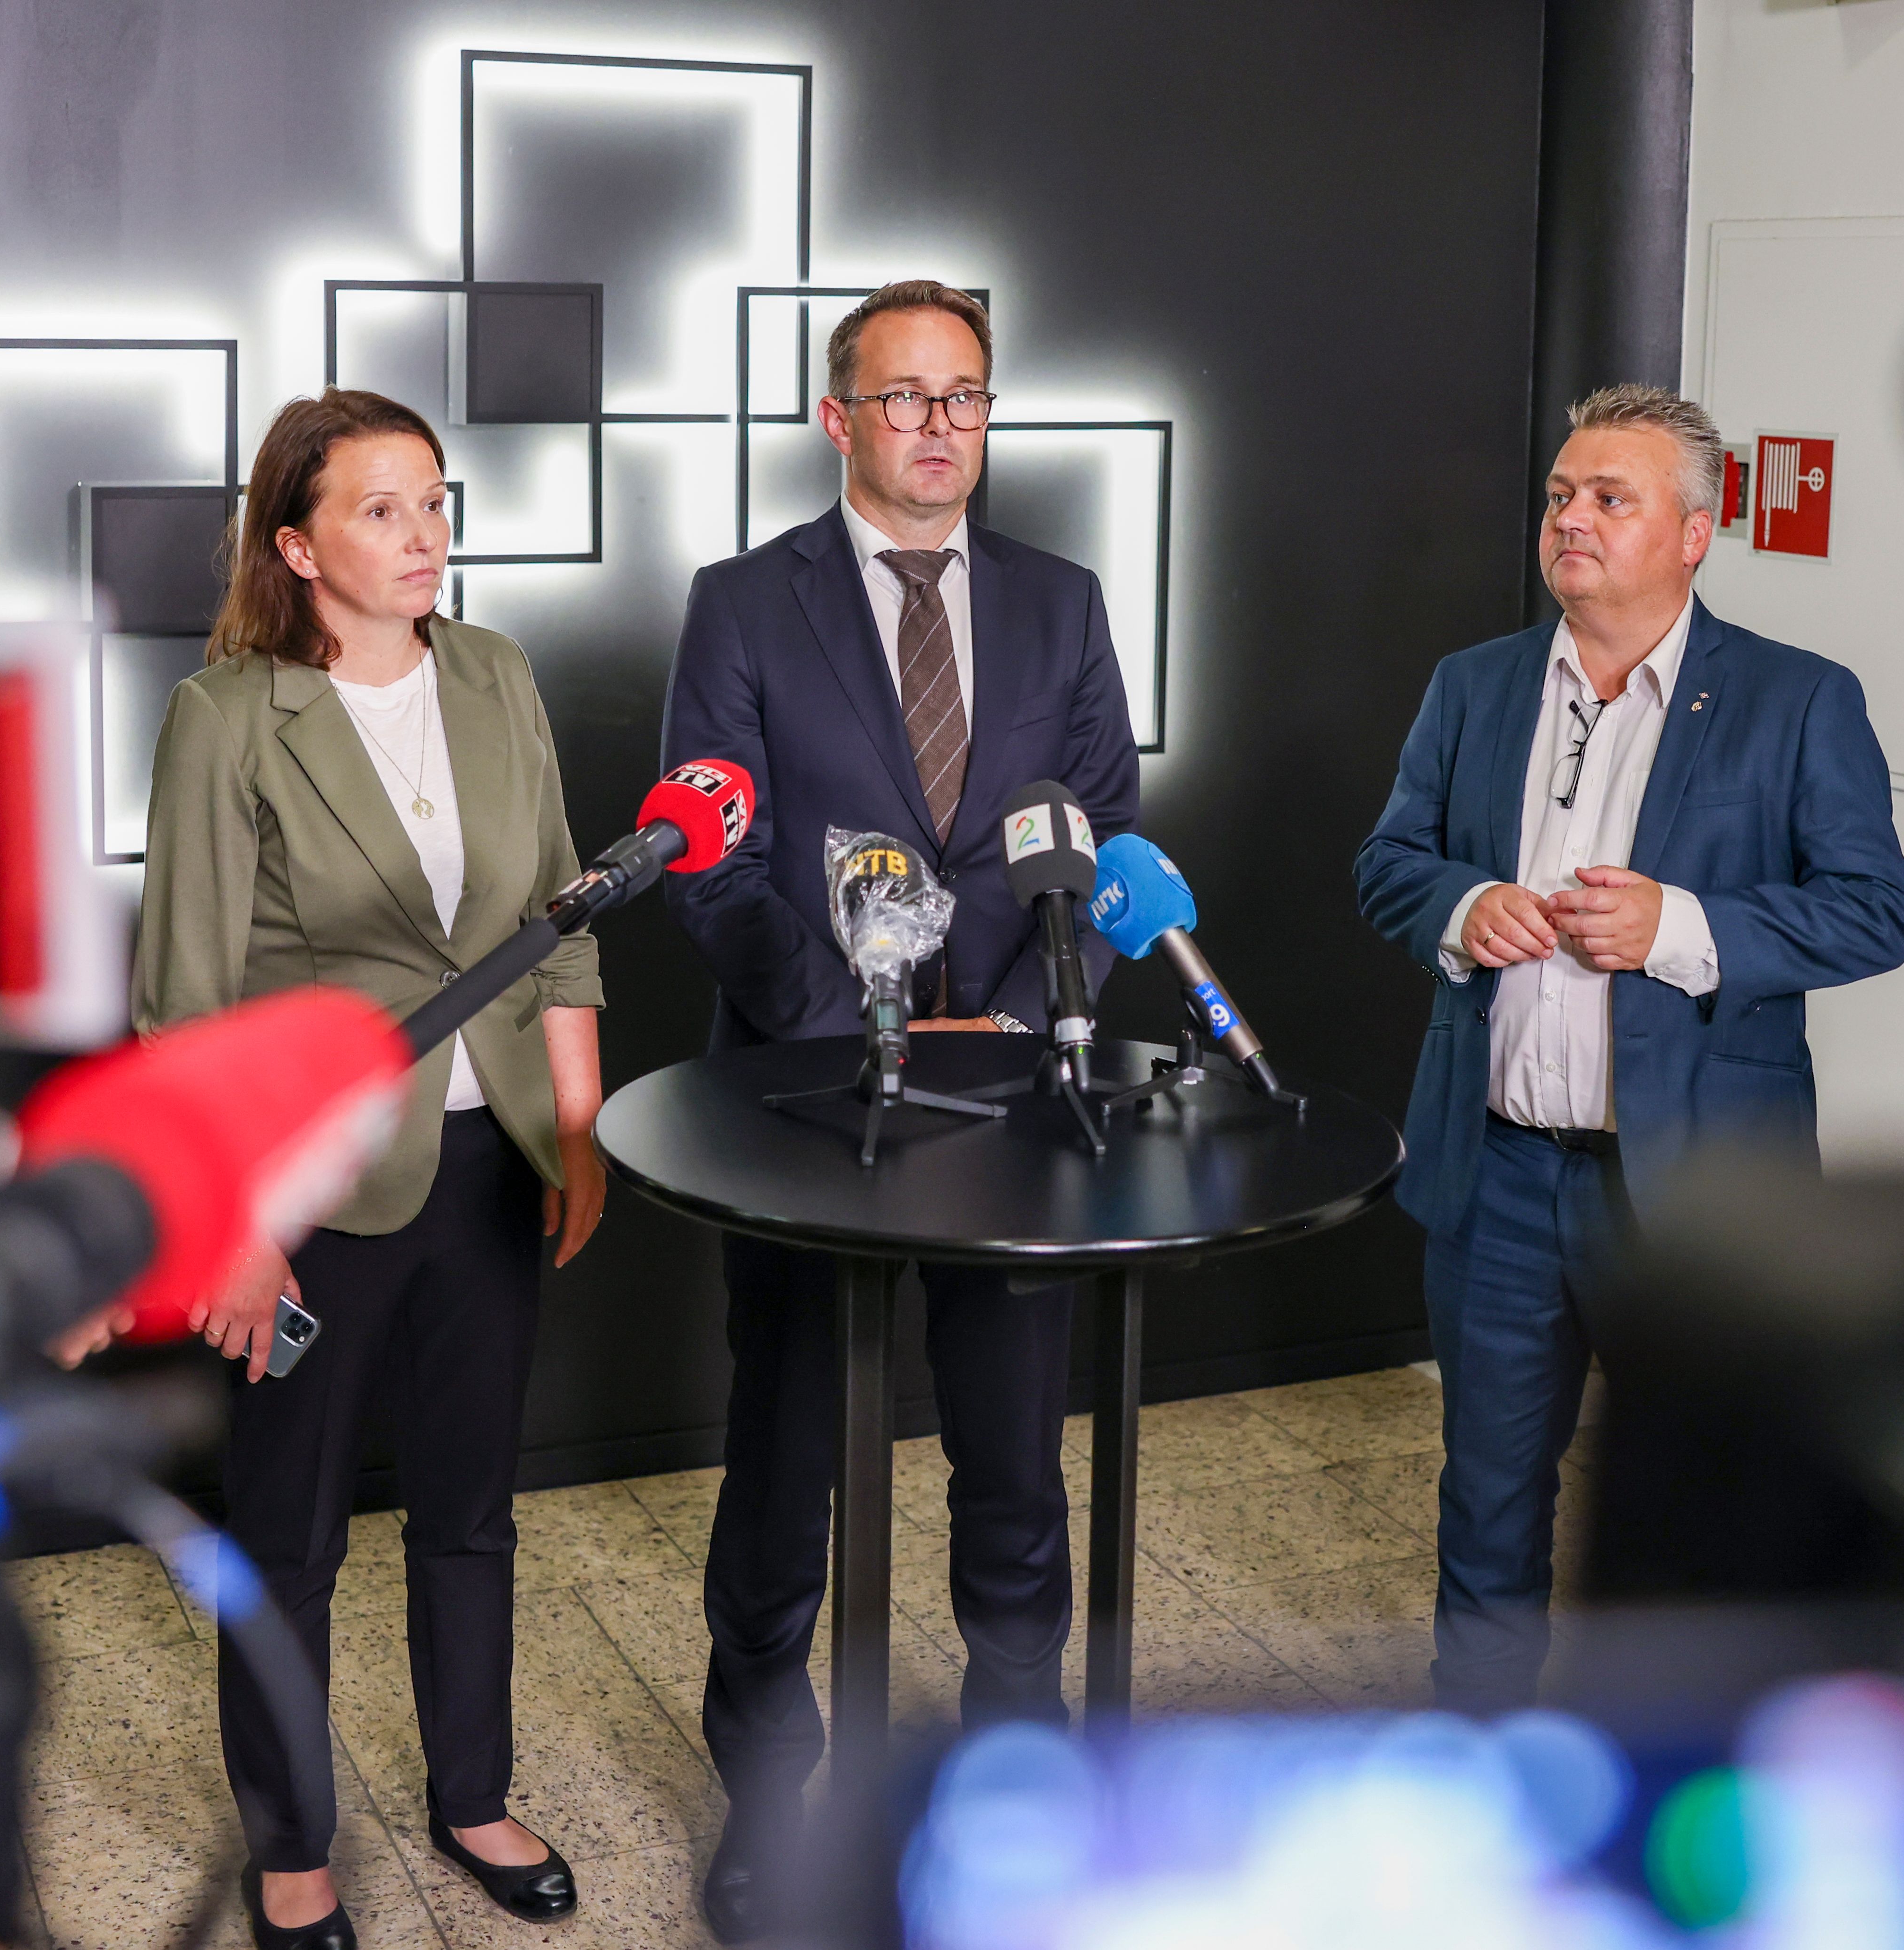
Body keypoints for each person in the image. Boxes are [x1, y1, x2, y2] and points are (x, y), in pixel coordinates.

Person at [656, 279, 1141, 1940]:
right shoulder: (742, 602)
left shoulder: (1061, 600)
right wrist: (852, 1028)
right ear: (836, 417)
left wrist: (995, 1024)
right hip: (805, 1109)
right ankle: (763, 1806)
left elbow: (1094, 827)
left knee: (1012, 1475)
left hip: (1008, 1106)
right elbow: (711, 855)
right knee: (782, 1477)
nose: (939, 425)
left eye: (965, 395)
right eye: (904, 395)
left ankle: (1017, 1798)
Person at [1353, 383, 1904, 1709]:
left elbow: (1873, 911)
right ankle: (1480, 1752)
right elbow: (1388, 861)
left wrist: (1679, 925)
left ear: (1693, 533)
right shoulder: (1474, 685)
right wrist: (1460, 908)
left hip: (1698, 1196)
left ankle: (1680, 1769)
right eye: (1562, 494)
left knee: (1706, 1512)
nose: (1572, 519)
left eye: (1611, 498)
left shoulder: (1797, 699)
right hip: (1495, 1176)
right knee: (1488, 1500)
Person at [132, 388, 606, 1949]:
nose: (425, 535)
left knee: (471, 1507)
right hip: (308, 1190)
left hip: (489, 1158)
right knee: (288, 1535)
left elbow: (558, 915)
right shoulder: (226, 716)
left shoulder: (495, 671)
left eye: (435, 501)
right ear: (295, 544)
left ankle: (472, 1793)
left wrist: (575, 1117)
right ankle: (289, 1844)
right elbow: (184, 1006)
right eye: (381, 508)